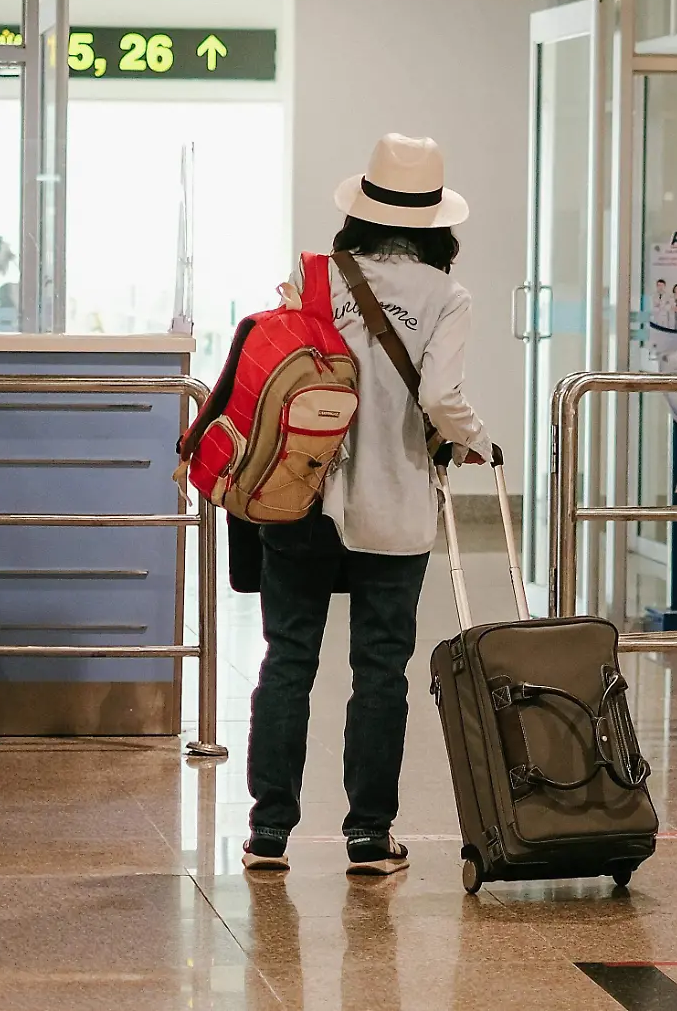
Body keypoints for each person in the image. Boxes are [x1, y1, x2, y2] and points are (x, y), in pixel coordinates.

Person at [243, 133, 492, 878]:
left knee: (288, 660)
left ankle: (267, 833)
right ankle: (368, 836)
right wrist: (475, 440)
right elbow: (443, 399)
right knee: (380, 670)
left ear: (360, 211)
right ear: (436, 223)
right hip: (394, 505)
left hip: (299, 498)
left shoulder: (318, 277)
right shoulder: (447, 296)